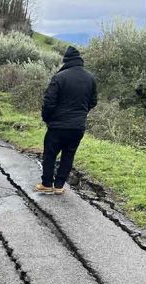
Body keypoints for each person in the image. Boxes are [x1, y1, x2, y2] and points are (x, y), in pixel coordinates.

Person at [36, 46, 98, 195]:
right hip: (77, 127)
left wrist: (47, 118)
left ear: (66, 60)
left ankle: (46, 184)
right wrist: (82, 113)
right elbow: (93, 101)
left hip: (57, 126)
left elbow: (49, 102)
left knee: (50, 154)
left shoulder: (59, 77)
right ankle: (59, 186)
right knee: (68, 155)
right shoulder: (90, 78)